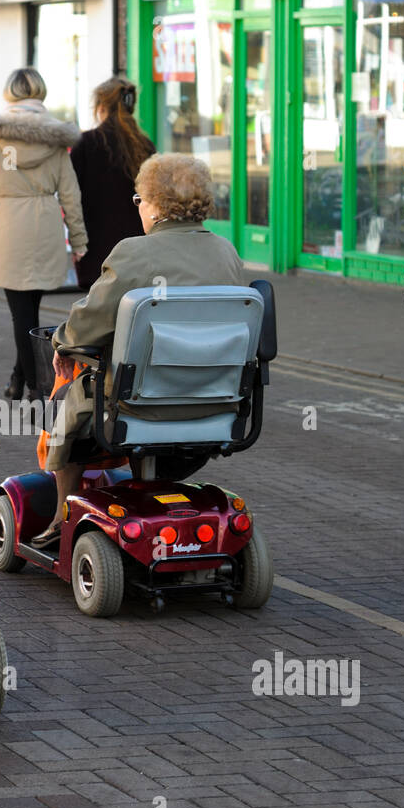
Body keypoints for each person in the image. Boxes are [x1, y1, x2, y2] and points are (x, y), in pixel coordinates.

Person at [31, 154, 246, 549]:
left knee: (65, 399)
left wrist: (63, 342)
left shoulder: (134, 254)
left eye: (140, 200)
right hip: (216, 403)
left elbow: (89, 322)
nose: (139, 208)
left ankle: (62, 513)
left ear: (158, 205)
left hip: (136, 406)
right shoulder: (227, 254)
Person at [0, 67, 87, 402]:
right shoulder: (57, 137)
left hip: (8, 224)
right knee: (30, 310)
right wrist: (78, 242)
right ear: (41, 92)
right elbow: (70, 194)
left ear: (10, 94)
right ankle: (19, 378)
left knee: (21, 313)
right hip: (45, 223)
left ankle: (36, 386)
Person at [70, 77, 155, 291]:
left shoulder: (86, 143)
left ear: (100, 107)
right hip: (137, 246)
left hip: (96, 246)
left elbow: (72, 196)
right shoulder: (145, 145)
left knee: (97, 311)